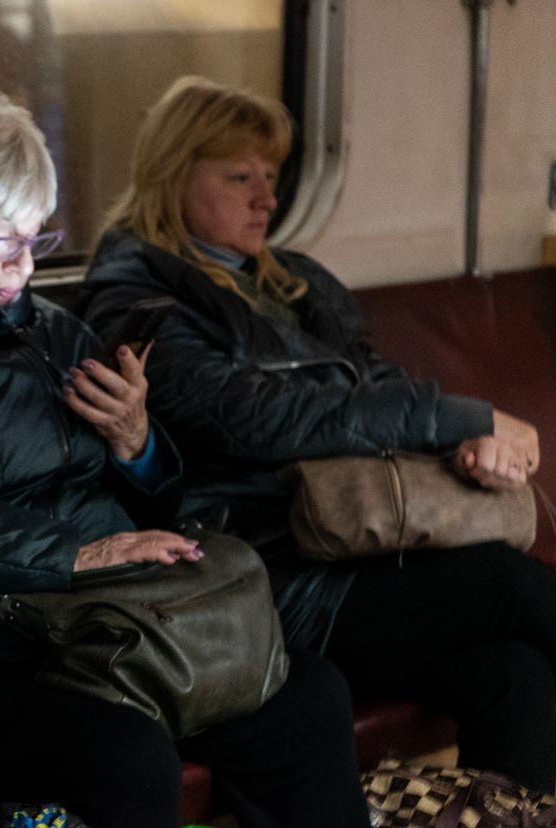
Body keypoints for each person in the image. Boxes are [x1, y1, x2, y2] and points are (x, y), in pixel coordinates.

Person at [0, 80, 369, 827]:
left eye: (37, 240)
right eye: (2, 241)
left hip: (93, 631)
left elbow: (151, 506)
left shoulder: (54, 333)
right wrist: (76, 555)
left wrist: (139, 446)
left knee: (307, 697)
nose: (23, 267)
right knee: (124, 754)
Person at [80, 75, 556, 792]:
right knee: (502, 584)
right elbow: (258, 416)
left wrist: (454, 447)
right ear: (172, 176)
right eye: (239, 176)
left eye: (271, 177)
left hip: (368, 542)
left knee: (514, 675)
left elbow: (375, 379)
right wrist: (457, 413)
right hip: (272, 574)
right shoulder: (137, 297)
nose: (266, 198)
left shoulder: (295, 280)